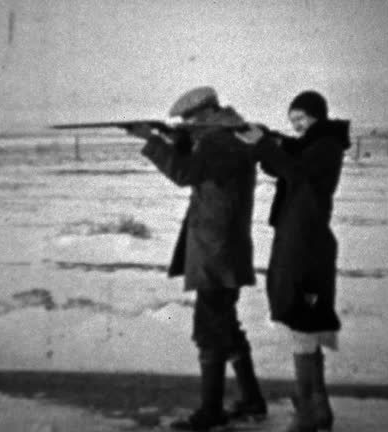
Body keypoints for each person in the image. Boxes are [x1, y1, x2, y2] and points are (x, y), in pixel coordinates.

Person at [126, 86, 267, 431]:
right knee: (226, 327)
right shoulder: (228, 138)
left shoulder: (219, 142)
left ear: (202, 117)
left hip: (216, 251)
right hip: (222, 248)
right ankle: (251, 401)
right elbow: (199, 167)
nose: (187, 127)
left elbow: (185, 174)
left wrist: (153, 140)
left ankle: (211, 413)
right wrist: (173, 138)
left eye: (188, 122)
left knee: (209, 332)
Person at [236, 90, 349, 432]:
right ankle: (317, 408)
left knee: (302, 323)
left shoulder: (326, 146)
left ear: (319, 115)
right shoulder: (316, 143)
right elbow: (284, 158)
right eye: (292, 120)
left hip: (305, 246)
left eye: (301, 118)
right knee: (305, 328)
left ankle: (307, 413)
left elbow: (295, 169)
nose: (297, 126)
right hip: (300, 241)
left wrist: (267, 143)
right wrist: (266, 139)